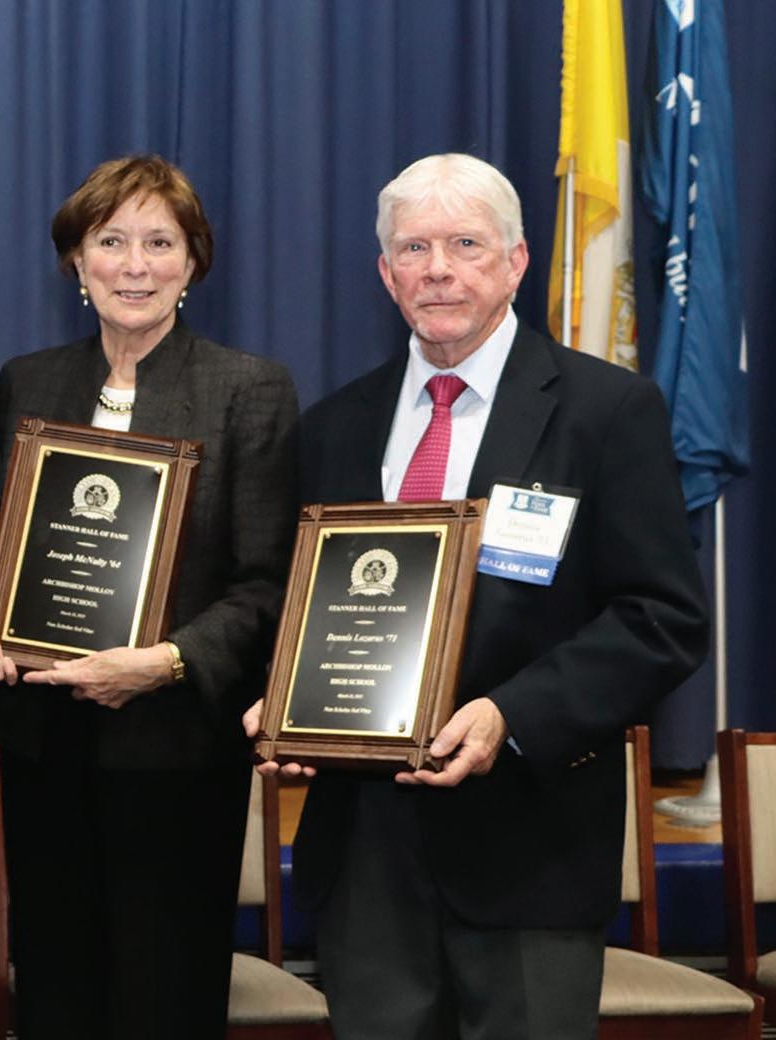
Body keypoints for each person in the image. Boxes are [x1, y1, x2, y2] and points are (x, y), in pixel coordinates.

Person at [247, 153, 709, 1038]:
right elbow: (294, 601)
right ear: (385, 273)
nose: (437, 270)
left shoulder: (605, 411)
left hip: (529, 847)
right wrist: (281, 698)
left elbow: (662, 620)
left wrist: (510, 714)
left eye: (464, 245)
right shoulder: (334, 426)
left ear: (515, 261)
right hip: (365, 856)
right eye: (412, 248)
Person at [0, 155, 298, 1037]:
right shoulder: (29, 382)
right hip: (45, 747)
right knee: (54, 995)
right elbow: (0, 542)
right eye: (110, 242)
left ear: (193, 263)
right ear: (76, 260)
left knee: (162, 999)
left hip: (176, 753)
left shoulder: (247, 390)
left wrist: (169, 661)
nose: (134, 265)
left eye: (159, 243)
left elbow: (267, 581)